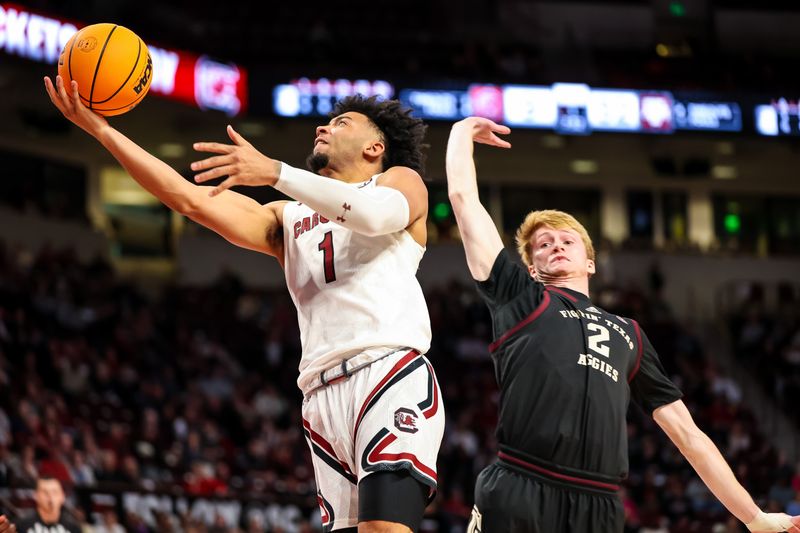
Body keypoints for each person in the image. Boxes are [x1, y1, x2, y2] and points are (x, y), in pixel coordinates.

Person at [45, 75, 444, 533]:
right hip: (320, 393)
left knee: (385, 530)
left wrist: (275, 172)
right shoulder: (286, 215)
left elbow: (375, 217)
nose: (323, 128)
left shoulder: (400, 181)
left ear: (375, 147)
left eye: (341, 122)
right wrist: (103, 132)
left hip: (388, 370)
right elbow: (188, 199)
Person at [444, 116, 800, 533]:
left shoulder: (628, 333)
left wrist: (753, 517)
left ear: (590, 262)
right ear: (531, 267)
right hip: (522, 484)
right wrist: (459, 134)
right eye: (543, 244)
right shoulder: (521, 297)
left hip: (599, 503)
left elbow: (688, 434)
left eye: (567, 240)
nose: (556, 244)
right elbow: (465, 200)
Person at [15, 477, 81, 533]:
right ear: (36, 496)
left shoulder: (73, 528)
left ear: (62, 496)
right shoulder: (22, 526)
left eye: (54, 492)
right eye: (45, 492)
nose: (50, 497)